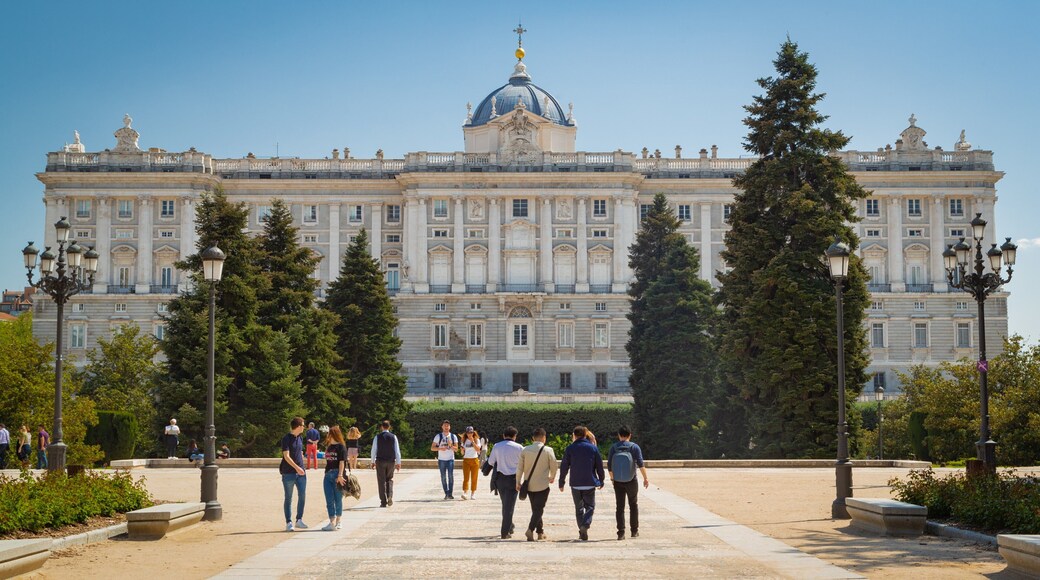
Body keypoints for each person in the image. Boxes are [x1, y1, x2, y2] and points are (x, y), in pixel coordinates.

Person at [558, 425, 605, 541]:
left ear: (574, 435)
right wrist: (601, 480)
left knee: (578, 509)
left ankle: (581, 530)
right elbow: (599, 466)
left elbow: (564, 466)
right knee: (590, 506)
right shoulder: (593, 448)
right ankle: (585, 525)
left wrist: (561, 482)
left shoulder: (570, 448)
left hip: (575, 483)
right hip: (589, 482)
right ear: (585, 435)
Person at [607, 425, 650, 540]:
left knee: (620, 507)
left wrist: (612, 479)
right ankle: (634, 531)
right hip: (632, 480)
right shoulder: (634, 447)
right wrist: (645, 478)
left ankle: (621, 532)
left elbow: (609, 466)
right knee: (633, 505)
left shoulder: (614, 447)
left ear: (619, 435)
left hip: (618, 481)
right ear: (630, 435)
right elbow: (641, 464)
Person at [516, 427, 558, 541]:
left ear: (532, 438)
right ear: (544, 438)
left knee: (536, 509)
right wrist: (552, 477)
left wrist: (517, 481)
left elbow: (520, 468)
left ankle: (540, 532)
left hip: (528, 485)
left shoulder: (525, 450)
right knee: (539, 509)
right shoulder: (548, 450)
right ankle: (530, 529)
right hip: (542, 484)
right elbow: (554, 465)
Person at [487, 426, 523, 539]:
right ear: (515, 436)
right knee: (509, 506)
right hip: (513, 479)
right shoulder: (519, 447)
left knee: (505, 504)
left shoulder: (497, 446)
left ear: (504, 435)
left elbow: (491, 462)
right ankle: (504, 531)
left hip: (500, 479)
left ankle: (510, 526)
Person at [280, 417, 308, 531]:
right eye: (303, 425)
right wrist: (297, 468)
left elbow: (298, 452)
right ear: (298, 426)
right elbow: (286, 456)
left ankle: (299, 520)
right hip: (288, 473)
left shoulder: (300, 438)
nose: (304, 427)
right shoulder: (286, 439)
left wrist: (301, 462)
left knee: (302, 496)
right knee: (288, 498)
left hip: (301, 473)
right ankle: (289, 522)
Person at [321, 425, 347, 531]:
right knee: (329, 499)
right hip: (327, 474)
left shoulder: (341, 447)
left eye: (329, 433)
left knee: (338, 499)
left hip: (337, 474)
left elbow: (342, 462)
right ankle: (331, 521)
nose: (328, 435)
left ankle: (339, 521)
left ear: (333, 434)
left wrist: (340, 475)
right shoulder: (329, 446)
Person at [371, 420, 401, 507]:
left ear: (381, 427)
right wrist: (398, 462)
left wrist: (372, 461)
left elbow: (374, 450)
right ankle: (390, 495)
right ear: (389, 427)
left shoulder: (377, 437)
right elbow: (397, 450)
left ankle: (383, 501)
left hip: (380, 461)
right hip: (391, 461)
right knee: (389, 479)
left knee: (381, 481)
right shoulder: (393, 437)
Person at [431, 420, 459, 500]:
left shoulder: (453, 437)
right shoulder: (438, 436)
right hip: (441, 459)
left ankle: (450, 493)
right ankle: (446, 493)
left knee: (450, 476)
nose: (446, 427)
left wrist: (451, 445)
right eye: (445, 425)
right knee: (443, 477)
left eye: (448, 426)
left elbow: (457, 449)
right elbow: (432, 448)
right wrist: (440, 448)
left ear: (450, 427)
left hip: (450, 459)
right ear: (442, 427)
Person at [460, 426, 482, 500]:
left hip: (474, 460)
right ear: (466, 433)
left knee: (474, 478)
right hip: (466, 460)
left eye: (471, 432)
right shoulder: (464, 440)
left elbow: (478, 449)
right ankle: (465, 492)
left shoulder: (477, 440)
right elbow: (462, 453)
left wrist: (472, 441)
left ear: (473, 432)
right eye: (468, 432)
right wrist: (462, 450)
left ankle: (473, 493)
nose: (470, 434)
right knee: (466, 478)